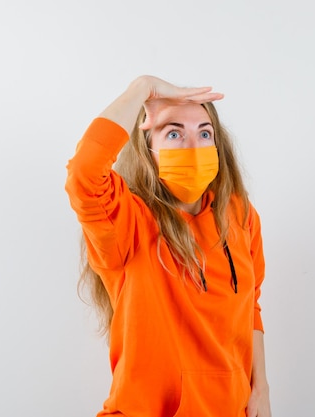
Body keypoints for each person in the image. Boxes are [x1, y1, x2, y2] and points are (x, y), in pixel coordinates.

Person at [65, 75, 271, 417]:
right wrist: (141, 90)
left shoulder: (240, 214)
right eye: (173, 133)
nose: (193, 146)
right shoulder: (125, 221)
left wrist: (260, 389)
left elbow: (252, 306)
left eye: (204, 133)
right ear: (146, 147)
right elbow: (84, 174)